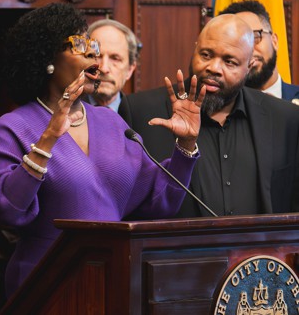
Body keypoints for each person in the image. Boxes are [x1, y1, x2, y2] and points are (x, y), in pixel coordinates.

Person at [0, 3, 202, 297]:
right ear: (48, 58)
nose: (92, 53)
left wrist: (185, 145)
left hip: (111, 278)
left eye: (92, 45)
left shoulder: (110, 121)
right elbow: (8, 210)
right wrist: (47, 139)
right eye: (79, 44)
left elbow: (158, 201)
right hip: (45, 281)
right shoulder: (16, 125)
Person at [125, 14, 299, 217]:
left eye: (230, 61)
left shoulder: (286, 119)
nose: (214, 68)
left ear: (248, 67)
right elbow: (130, 207)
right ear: (194, 49)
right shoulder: (141, 111)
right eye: (206, 55)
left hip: (264, 249)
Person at [218, 0, 299, 104]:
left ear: (274, 41)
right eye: (237, 43)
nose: (249, 50)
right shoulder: (219, 108)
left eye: (255, 36)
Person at [85, 19, 140, 120]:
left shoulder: (142, 119)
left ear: (130, 70)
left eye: (115, 58)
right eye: (96, 56)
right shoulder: (63, 114)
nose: (104, 68)